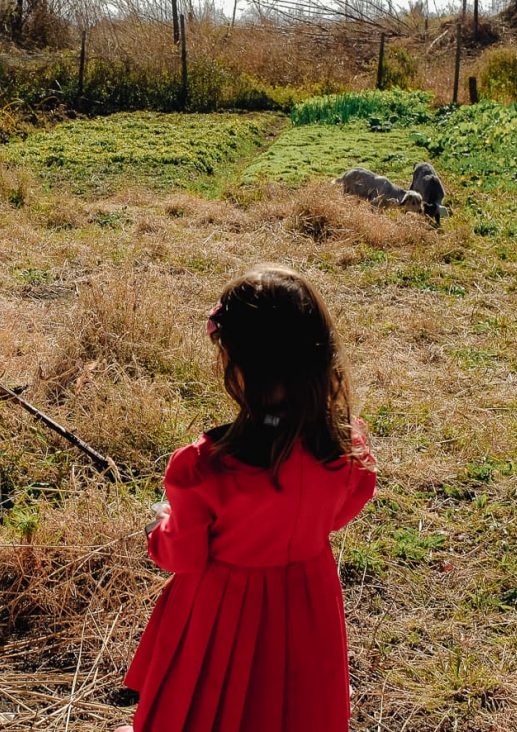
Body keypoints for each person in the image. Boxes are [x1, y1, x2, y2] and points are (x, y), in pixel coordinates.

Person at [118, 264, 377, 732]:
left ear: (237, 366)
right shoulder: (347, 447)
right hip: (308, 597)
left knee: (207, 703)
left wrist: (160, 527)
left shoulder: (203, 467)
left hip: (221, 609)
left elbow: (184, 555)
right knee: (293, 704)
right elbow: (343, 509)